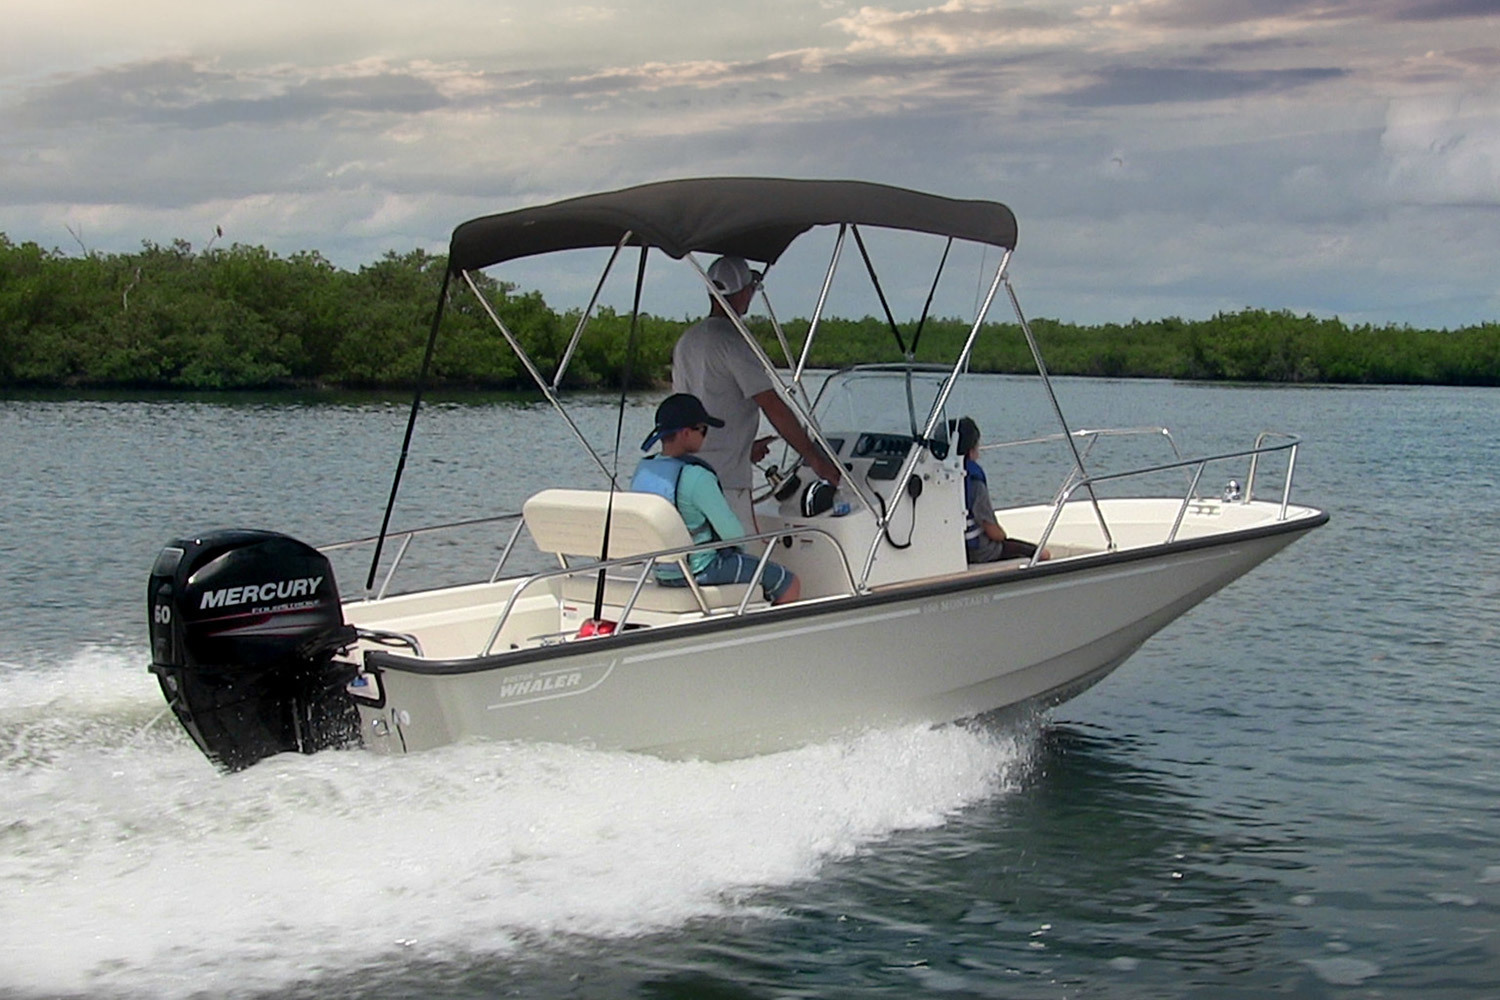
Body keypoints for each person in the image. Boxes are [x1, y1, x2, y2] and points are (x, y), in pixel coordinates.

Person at [672, 255, 842, 529]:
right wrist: (815, 459)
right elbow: (771, 404)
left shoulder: (686, 341)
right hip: (724, 482)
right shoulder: (734, 342)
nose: (752, 292)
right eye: (752, 286)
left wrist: (745, 449)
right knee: (736, 559)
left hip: (685, 477)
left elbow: (690, 411)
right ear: (742, 292)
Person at [631, 393, 801, 606]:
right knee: (788, 583)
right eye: (703, 430)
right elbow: (734, 534)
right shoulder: (697, 476)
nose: (706, 436)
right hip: (703, 570)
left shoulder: (643, 470)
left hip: (663, 572)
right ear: (685, 433)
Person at [955, 416, 1050, 564]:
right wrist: (1003, 534)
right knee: (1043, 554)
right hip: (981, 552)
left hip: (958, 549)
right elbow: (992, 531)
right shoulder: (973, 482)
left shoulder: (943, 480)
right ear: (971, 450)